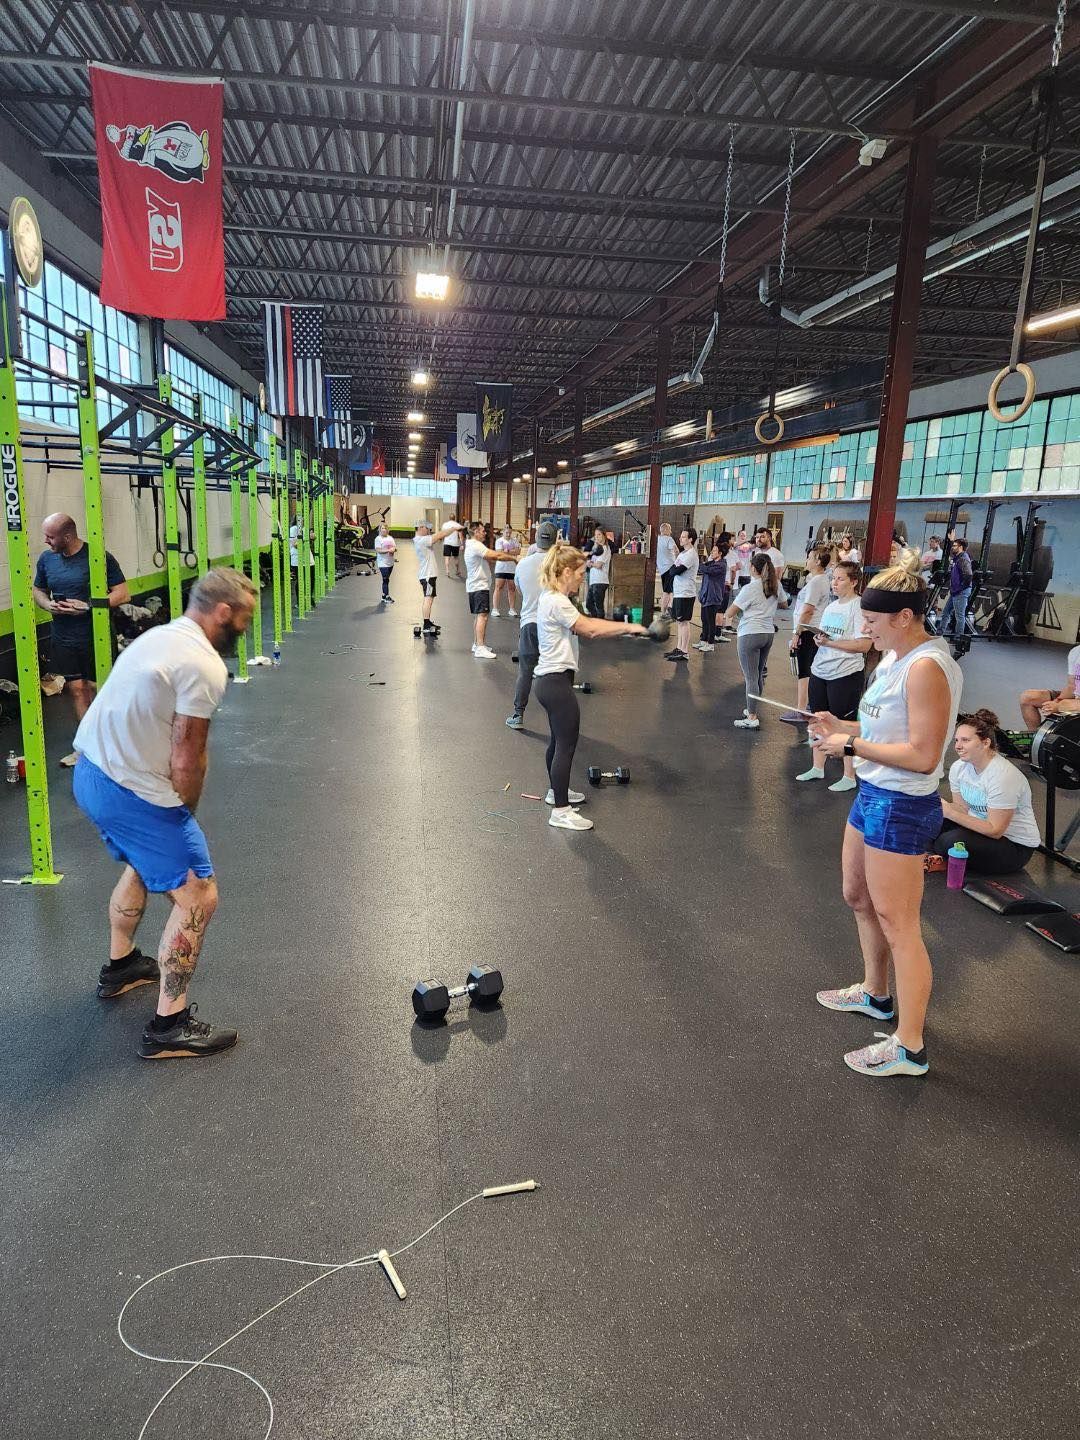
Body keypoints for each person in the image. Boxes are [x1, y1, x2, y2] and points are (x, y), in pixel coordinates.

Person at [71, 568, 256, 1060]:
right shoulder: (203, 664)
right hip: (130, 789)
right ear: (223, 612)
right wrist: (183, 817)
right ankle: (169, 1025)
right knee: (198, 894)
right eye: (243, 619)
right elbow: (187, 755)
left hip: (90, 770)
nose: (245, 628)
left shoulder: (161, 635)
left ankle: (122, 966)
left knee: (142, 862)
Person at [810, 549, 962, 1079]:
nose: (865, 629)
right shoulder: (895, 658)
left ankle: (910, 1047)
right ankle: (876, 995)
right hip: (873, 793)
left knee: (901, 925)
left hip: (903, 803)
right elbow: (883, 731)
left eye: (872, 622)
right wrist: (844, 727)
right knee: (856, 894)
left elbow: (923, 755)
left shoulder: (927, 667)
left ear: (904, 617)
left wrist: (849, 750)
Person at [534, 542, 648, 831]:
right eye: (581, 573)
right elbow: (591, 629)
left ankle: (555, 793)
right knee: (566, 745)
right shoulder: (557, 601)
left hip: (552, 682)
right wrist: (630, 627)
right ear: (567, 571)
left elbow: (583, 626)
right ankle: (560, 811)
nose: (583, 577)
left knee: (558, 742)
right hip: (555, 682)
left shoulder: (552, 598)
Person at [33, 512, 129, 766]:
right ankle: (87, 748)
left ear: (67, 536)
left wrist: (87, 606)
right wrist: (47, 604)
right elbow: (38, 590)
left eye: (50, 537)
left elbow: (122, 593)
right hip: (63, 636)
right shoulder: (47, 560)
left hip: (94, 634)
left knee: (102, 690)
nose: (46, 541)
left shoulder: (98, 557)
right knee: (77, 690)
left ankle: (114, 744)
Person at [925, 710, 1041, 875]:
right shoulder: (959, 767)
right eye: (957, 740)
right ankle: (942, 857)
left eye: (965, 740)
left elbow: (995, 830)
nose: (958, 746)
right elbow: (961, 808)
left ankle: (941, 856)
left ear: (985, 743)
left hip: (1013, 846)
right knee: (926, 821)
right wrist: (936, 807)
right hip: (979, 829)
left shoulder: (1003, 776)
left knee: (949, 841)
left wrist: (949, 812)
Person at [795, 560, 871, 792]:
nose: (834, 583)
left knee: (844, 726)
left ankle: (849, 775)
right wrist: (821, 640)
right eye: (833, 578)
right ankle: (818, 767)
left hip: (845, 674)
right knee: (817, 720)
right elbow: (828, 637)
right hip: (821, 670)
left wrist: (831, 642)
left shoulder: (858, 607)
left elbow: (865, 644)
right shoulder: (830, 607)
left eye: (840, 579)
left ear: (854, 581)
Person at [720, 551, 788, 728]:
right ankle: (753, 708)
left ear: (753, 568)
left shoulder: (750, 588)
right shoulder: (775, 585)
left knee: (751, 677)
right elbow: (785, 604)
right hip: (767, 634)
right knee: (757, 674)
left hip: (750, 633)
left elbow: (730, 613)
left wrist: (742, 612)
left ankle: (751, 717)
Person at [506, 521, 558, 730]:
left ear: (536, 539)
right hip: (553, 626)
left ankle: (518, 715)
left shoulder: (523, 564)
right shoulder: (559, 565)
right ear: (555, 541)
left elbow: (519, 591)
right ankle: (557, 721)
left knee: (525, 672)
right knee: (555, 674)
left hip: (529, 625)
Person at [784, 545, 832, 722]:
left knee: (804, 671)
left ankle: (801, 711)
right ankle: (807, 706)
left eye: (810, 557)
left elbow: (808, 611)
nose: (807, 561)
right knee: (808, 669)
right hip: (809, 630)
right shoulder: (819, 580)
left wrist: (797, 633)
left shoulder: (817, 581)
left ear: (818, 561)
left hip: (807, 631)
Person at [464, 521, 511, 658]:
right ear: (476, 532)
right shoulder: (476, 545)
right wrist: (513, 558)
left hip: (475, 585)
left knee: (479, 616)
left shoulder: (472, 545)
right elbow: (496, 556)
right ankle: (479, 647)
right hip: (479, 586)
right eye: (483, 530)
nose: (485, 533)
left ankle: (477, 644)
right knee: (483, 616)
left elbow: (491, 557)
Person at [413, 519, 462, 634]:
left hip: (428, 575)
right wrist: (454, 528)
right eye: (427, 528)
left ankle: (428, 621)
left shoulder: (419, 539)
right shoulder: (422, 540)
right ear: (420, 528)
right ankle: (426, 624)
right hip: (427, 575)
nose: (429, 530)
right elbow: (441, 534)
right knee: (428, 598)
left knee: (430, 598)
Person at [1018, 643, 1080, 731]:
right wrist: (1056, 701)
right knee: (1027, 697)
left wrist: (1058, 706)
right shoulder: (1076, 652)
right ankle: (1034, 738)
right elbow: (1071, 687)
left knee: (1064, 704)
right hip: (1075, 699)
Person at [666, 528, 700, 662]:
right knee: (679, 622)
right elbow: (671, 571)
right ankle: (679, 648)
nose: (680, 539)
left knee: (684, 622)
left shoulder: (691, 554)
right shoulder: (682, 554)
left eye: (684, 537)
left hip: (686, 593)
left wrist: (675, 569)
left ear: (690, 539)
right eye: (681, 536)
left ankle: (684, 651)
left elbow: (677, 570)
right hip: (679, 592)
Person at [695, 538, 731, 652]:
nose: (712, 552)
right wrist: (703, 566)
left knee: (710, 621)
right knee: (704, 619)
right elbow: (702, 567)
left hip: (713, 596)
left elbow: (705, 569)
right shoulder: (713, 563)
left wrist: (704, 566)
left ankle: (710, 644)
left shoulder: (721, 565)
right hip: (706, 595)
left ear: (720, 553)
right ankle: (703, 641)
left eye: (714, 551)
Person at [940, 535, 973, 646]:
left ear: (961, 547)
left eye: (954, 546)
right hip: (955, 591)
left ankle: (959, 639)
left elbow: (968, 575)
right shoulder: (957, 558)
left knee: (959, 616)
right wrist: (950, 540)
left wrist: (960, 588)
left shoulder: (963, 558)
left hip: (960, 592)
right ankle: (939, 635)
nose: (952, 547)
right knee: (945, 613)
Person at [492, 525, 521, 617]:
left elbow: (518, 551)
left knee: (512, 589)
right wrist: (511, 552)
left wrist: (507, 551)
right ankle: (495, 609)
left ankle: (512, 609)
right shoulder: (499, 541)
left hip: (512, 569)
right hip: (501, 568)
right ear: (503, 532)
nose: (508, 534)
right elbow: (500, 552)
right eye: (506, 532)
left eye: (510, 532)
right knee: (498, 587)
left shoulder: (514, 541)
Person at [585, 526, 612, 618]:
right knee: (589, 604)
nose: (597, 537)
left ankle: (600, 624)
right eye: (596, 535)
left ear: (604, 535)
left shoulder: (605, 549)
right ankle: (595, 621)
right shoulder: (596, 549)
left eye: (599, 534)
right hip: (594, 580)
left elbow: (599, 565)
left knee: (599, 606)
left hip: (600, 581)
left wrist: (590, 563)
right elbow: (592, 562)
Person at [656, 522, 677, 619]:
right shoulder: (669, 539)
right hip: (670, 568)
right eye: (670, 529)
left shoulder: (658, 539)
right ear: (665, 530)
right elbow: (676, 550)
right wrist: (679, 560)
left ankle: (666, 611)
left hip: (662, 569)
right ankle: (667, 611)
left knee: (667, 591)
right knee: (670, 591)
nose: (671, 531)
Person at [374, 523, 396, 603]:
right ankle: (387, 596)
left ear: (387, 530)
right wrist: (388, 550)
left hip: (390, 562)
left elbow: (394, 547)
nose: (384, 530)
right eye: (382, 528)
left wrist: (393, 550)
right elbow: (378, 550)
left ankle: (383, 596)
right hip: (382, 563)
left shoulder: (390, 538)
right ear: (380, 530)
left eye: (385, 528)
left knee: (387, 580)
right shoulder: (378, 539)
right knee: (385, 579)